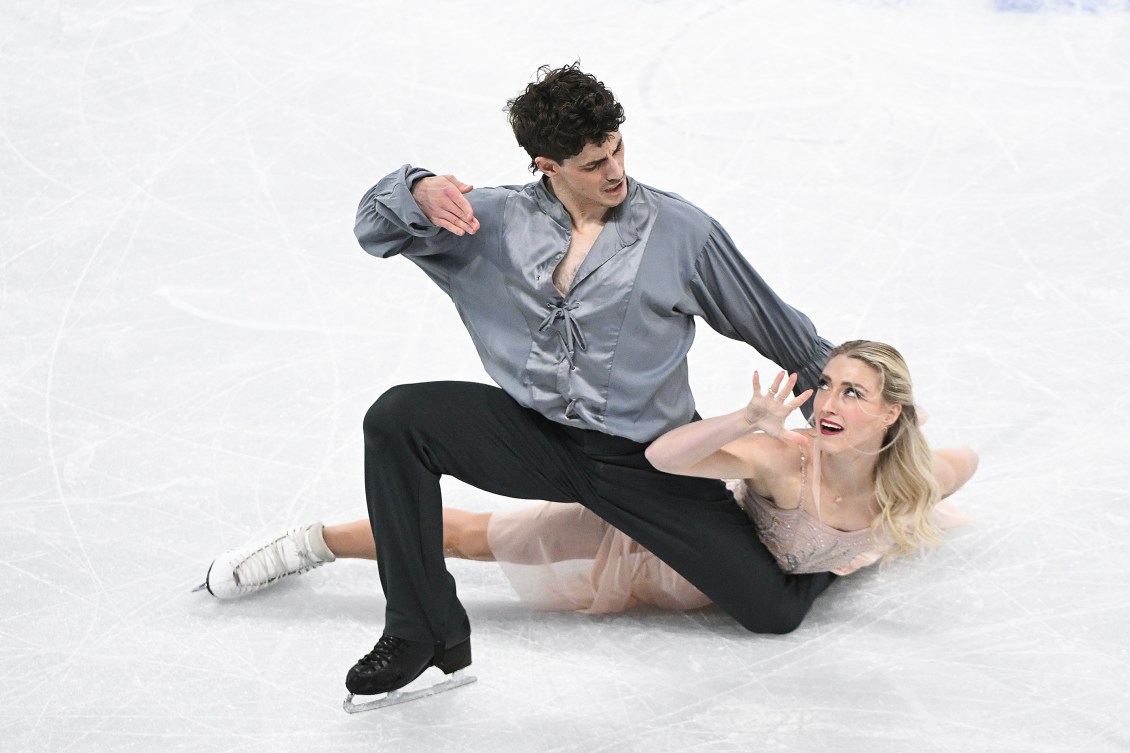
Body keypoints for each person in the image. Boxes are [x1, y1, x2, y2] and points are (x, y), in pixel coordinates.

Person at [230, 61, 842, 701]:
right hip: (535, 439)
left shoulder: (682, 234)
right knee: (399, 419)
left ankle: (847, 553)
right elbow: (373, 230)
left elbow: (781, 332)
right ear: (546, 166)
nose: (614, 172)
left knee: (773, 611)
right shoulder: (487, 222)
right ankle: (422, 630)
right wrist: (416, 188)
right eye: (591, 163)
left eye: (617, 149)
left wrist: (862, 424)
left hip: (651, 460)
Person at [198, 344, 977, 661]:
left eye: (854, 393)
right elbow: (665, 456)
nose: (829, 404)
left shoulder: (909, 478)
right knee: (473, 535)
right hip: (662, 540)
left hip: (739, 581)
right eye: (828, 386)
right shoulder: (786, 457)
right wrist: (745, 422)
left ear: (891, 413)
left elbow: (962, 461)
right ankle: (313, 542)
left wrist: (905, 473)